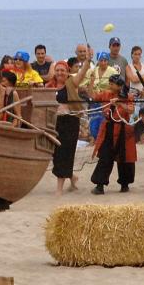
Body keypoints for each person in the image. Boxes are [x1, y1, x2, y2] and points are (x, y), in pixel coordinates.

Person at [90, 75, 136, 194]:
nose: (110, 85)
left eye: (113, 84)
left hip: (123, 128)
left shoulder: (128, 96)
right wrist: (90, 82)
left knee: (125, 158)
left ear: (119, 86)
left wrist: (119, 103)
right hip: (109, 128)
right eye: (109, 83)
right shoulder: (105, 94)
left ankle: (124, 184)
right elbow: (93, 96)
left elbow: (131, 110)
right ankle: (100, 185)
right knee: (105, 156)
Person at [50, 59, 87, 195]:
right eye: (58, 70)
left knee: (65, 153)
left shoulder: (72, 83)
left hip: (70, 122)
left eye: (63, 70)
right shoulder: (50, 85)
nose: (60, 73)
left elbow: (82, 74)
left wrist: (88, 61)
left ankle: (59, 189)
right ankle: (72, 178)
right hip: (54, 123)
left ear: (67, 72)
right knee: (55, 154)